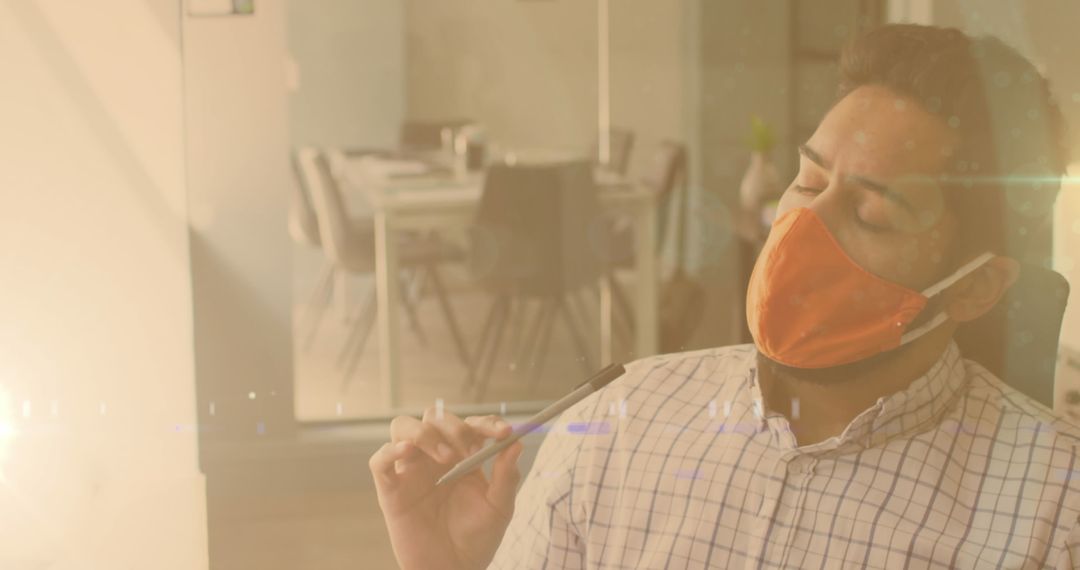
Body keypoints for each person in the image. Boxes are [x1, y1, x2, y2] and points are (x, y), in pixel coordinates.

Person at [369, 23, 1079, 568]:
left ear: (979, 284)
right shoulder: (617, 423)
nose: (804, 225)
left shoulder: (1056, 510)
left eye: (872, 214)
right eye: (807, 181)